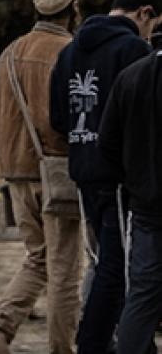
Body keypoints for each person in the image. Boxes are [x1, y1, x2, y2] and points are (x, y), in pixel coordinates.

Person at [50, 0, 161, 354]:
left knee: (104, 263)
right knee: (118, 270)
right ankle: (94, 344)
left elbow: (57, 116)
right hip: (118, 177)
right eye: (154, 24)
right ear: (145, 13)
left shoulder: (69, 51)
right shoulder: (131, 51)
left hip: (83, 168)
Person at [0, 0, 83, 354]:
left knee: (38, 256)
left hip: (16, 170)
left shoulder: (10, 52)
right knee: (65, 269)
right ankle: (62, 348)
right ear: (72, 9)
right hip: (56, 170)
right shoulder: (70, 51)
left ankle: (1, 329)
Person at [98, 29, 162, 353]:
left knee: (142, 295)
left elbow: (106, 141)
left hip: (147, 205)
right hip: (146, 200)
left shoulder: (131, 76)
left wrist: (134, 178)